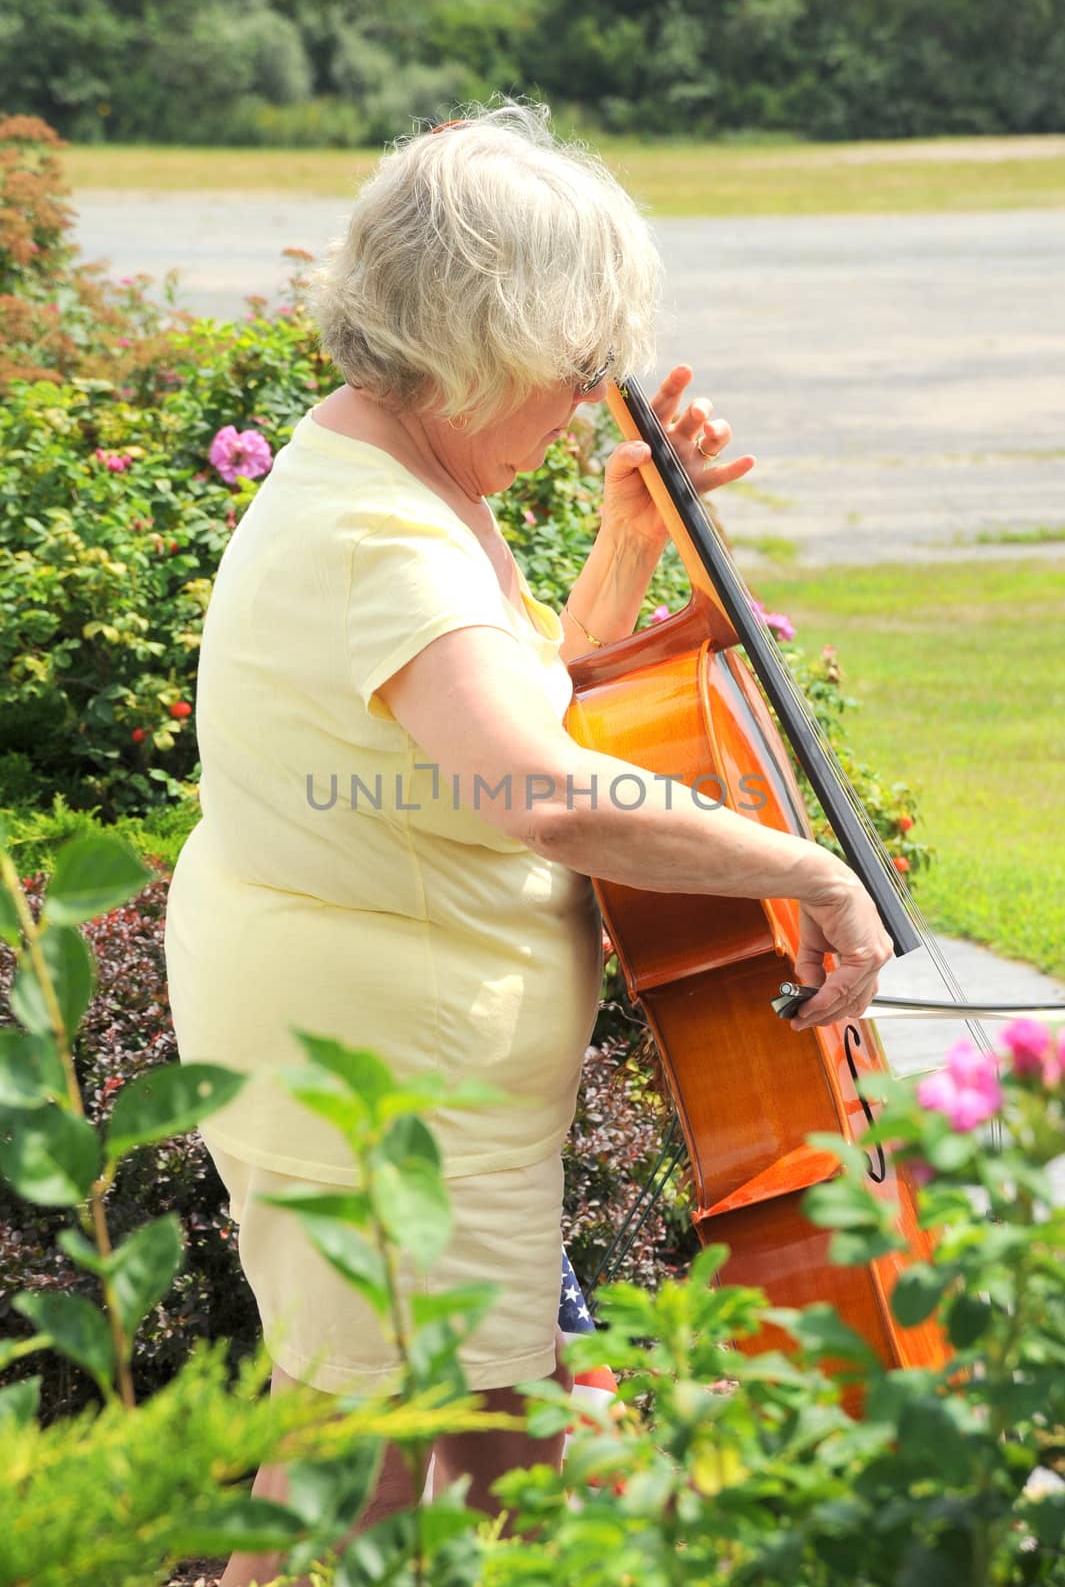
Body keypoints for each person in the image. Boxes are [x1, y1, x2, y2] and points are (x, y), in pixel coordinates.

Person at [163, 100, 892, 1585]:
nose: (580, 408)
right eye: (570, 375)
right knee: (351, 1476)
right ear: (481, 339)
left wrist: (624, 544)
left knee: (502, 1449)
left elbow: (516, 702)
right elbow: (538, 791)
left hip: (420, 1067)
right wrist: (807, 869)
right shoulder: (385, 535)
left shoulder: (405, 481)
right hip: (378, 1075)